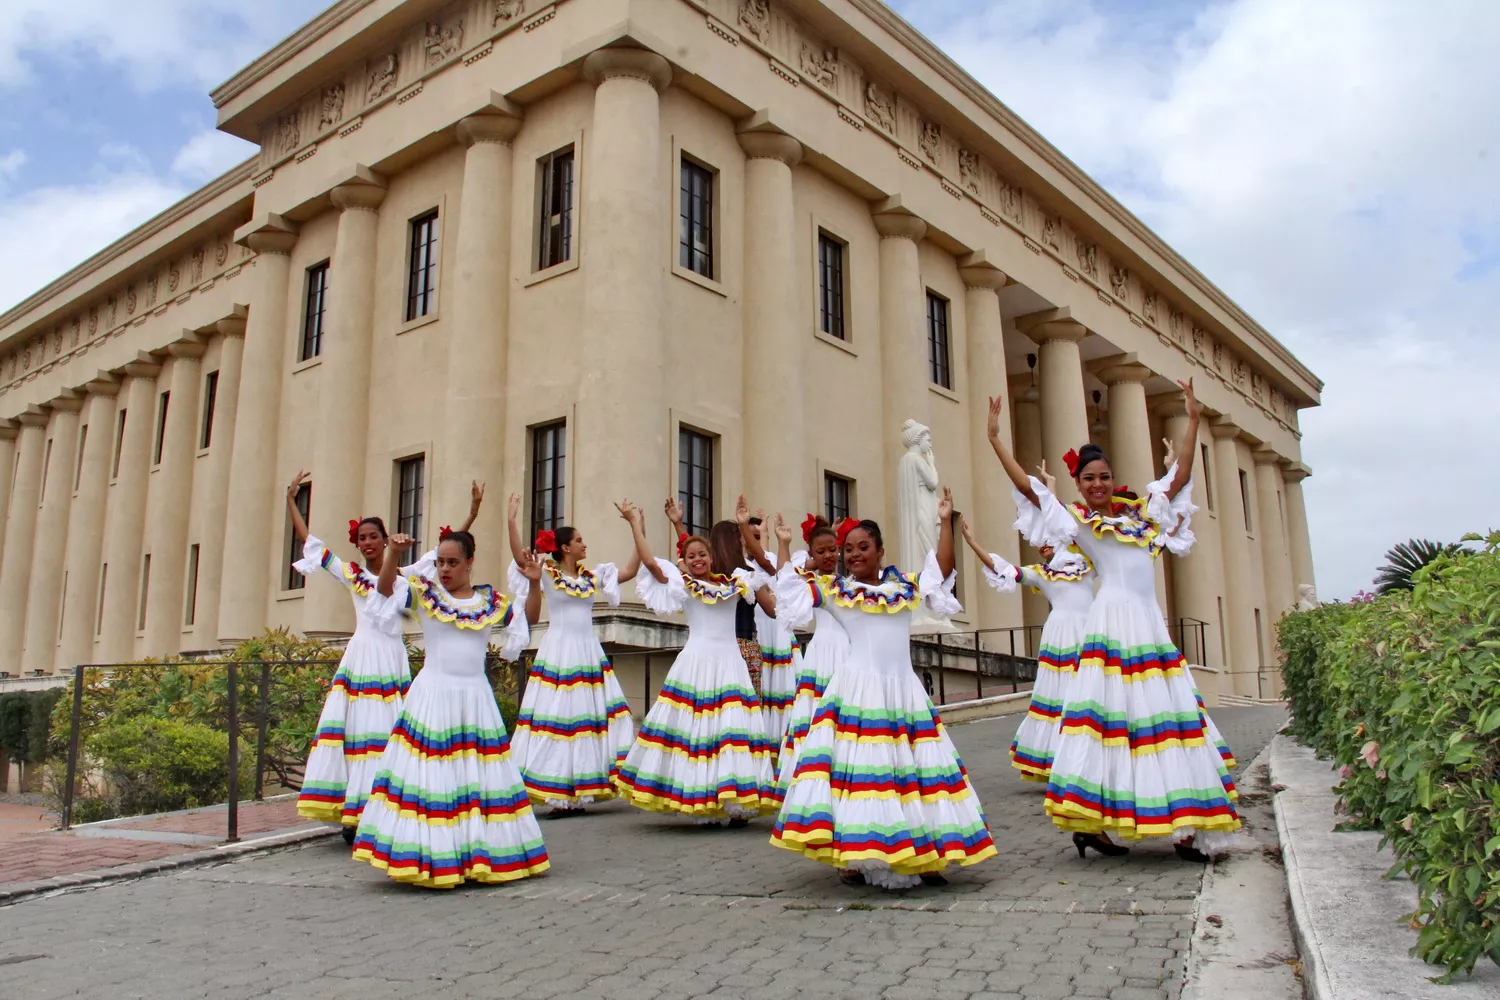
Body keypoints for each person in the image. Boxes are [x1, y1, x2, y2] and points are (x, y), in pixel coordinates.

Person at [986, 384, 1240, 862]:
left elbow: (1181, 474)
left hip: (1149, 626)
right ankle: (1096, 825)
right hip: (1111, 626)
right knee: (1111, 726)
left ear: (1112, 477)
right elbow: (1028, 489)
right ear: (1078, 484)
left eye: (1103, 476)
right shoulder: (1078, 523)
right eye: (1088, 479)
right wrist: (996, 439)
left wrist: (1193, 419)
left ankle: (1184, 825)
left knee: (1164, 721)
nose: (1097, 484)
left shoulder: (1145, 517)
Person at [767, 491, 997, 889]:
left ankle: (922, 853)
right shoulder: (837, 591)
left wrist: (944, 523)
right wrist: (785, 547)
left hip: (903, 691)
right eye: (848, 549)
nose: (854, 555)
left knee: (914, 773)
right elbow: (788, 592)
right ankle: (855, 856)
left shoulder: (903, 588)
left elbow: (940, 571)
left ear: (880, 550)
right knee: (863, 777)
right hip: (859, 692)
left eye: (863, 547)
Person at [284, 472, 482, 842]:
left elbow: (447, 549)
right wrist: (292, 500)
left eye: (375, 536)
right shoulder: (351, 574)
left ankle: (384, 807)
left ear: (387, 538)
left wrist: (471, 514)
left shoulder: (404, 574)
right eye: (362, 538)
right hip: (362, 659)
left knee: (391, 734)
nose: (369, 542)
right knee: (360, 733)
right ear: (357, 545)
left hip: (392, 659)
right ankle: (355, 812)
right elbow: (309, 542)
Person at [351, 528, 549, 887]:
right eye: (440, 562)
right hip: (433, 696)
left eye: (452, 563)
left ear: (469, 563)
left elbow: (528, 620)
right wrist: (393, 555)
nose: (444, 569)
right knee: (434, 779)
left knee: (476, 780)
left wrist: (534, 584)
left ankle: (478, 856)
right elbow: (383, 590)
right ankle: (434, 857)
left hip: (474, 698)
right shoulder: (425, 594)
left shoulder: (490, 602)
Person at [613, 502, 776, 825]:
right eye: (691, 557)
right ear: (684, 563)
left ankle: (733, 799)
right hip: (697, 663)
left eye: (702, 554)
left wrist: (745, 526)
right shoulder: (685, 586)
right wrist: (636, 524)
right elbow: (649, 563)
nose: (698, 560)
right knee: (698, 733)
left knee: (730, 733)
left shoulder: (736, 584)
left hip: (730, 663)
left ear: (712, 557)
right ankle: (700, 796)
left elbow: (766, 572)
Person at [504, 494, 640, 817]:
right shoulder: (549, 574)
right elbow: (521, 560)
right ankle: (557, 789)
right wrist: (511, 521)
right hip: (561, 649)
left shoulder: (592, 577)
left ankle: (581, 789)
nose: (584, 545)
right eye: (579, 540)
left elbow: (631, 570)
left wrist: (636, 526)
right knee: (559, 718)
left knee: (586, 719)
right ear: (565, 547)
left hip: (588, 651)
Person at [958, 516, 1093, 783]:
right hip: (1061, 636)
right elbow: (1005, 568)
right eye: (1037, 541)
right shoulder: (1042, 574)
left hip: (1091, 629)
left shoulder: (1087, 565)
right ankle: (1062, 762)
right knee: (1060, 696)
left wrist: (1049, 489)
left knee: (1092, 693)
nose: (1042, 545)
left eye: (1047, 538)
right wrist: (972, 542)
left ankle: (1096, 760)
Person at [742, 512, 849, 810]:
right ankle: (812, 788)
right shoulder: (813, 582)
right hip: (824, 652)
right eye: (821, 551)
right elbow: (785, 579)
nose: (828, 555)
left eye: (833, 550)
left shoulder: (849, 582)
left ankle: (848, 780)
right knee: (819, 719)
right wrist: (783, 542)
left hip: (852, 653)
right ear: (812, 554)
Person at [666, 500, 796, 742]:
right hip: (745, 649)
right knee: (742, 715)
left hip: (708, 652)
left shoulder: (710, 576)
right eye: (742, 536)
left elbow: (690, 555)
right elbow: (772, 610)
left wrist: (678, 524)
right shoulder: (745, 575)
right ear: (736, 540)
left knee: (709, 710)